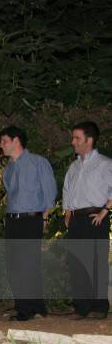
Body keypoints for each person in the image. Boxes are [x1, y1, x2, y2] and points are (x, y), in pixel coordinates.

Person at [0, 126, 56, 321]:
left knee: (29, 264)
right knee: (14, 264)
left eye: (4, 141)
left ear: (16, 141)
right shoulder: (8, 168)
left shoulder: (38, 162)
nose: (1, 145)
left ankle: (32, 308)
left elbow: (49, 192)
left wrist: (45, 218)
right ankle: (25, 306)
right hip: (13, 220)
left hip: (32, 219)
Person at [63, 121, 111, 320]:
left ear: (89, 140)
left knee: (96, 263)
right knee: (76, 263)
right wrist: (67, 211)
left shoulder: (105, 164)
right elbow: (67, 190)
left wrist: (105, 210)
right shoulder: (74, 166)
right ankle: (81, 307)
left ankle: (99, 308)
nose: (73, 142)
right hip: (76, 219)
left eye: (77, 138)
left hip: (95, 218)